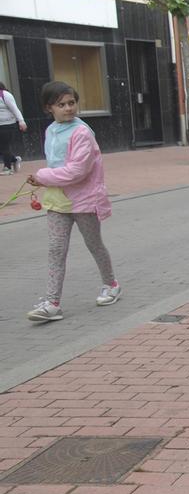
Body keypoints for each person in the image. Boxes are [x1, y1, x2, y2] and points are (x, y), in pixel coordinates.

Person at [25, 81, 120, 323]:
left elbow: (77, 171)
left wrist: (42, 177)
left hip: (84, 200)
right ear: (49, 108)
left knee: (94, 244)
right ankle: (52, 303)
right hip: (57, 200)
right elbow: (56, 164)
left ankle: (111, 285)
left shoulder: (82, 133)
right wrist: (43, 180)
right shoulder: (51, 130)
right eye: (61, 104)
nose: (68, 108)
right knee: (56, 249)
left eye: (72, 103)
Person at [0, 81, 26, 175]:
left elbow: (15, 109)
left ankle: (7, 168)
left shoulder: (5, 95)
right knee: (2, 147)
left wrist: (21, 121)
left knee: (4, 146)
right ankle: (14, 159)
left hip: (8, 125)